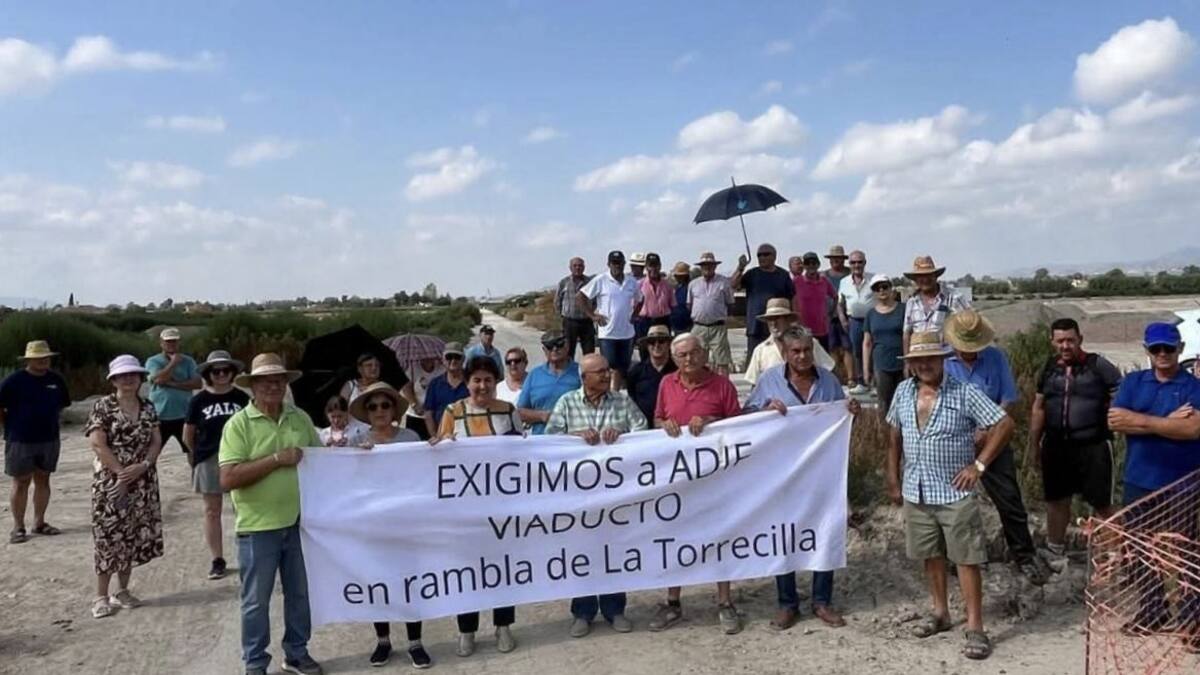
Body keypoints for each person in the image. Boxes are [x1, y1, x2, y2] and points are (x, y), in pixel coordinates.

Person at [885, 332, 1014, 661]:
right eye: (918, 359)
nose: (924, 365)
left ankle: (975, 626)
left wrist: (980, 465)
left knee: (967, 559)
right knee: (931, 556)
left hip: (954, 492)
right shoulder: (903, 391)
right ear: (911, 363)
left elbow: (1004, 424)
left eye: (930, 358)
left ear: (943, 360)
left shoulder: (965, 392)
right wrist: (893, 478)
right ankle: (940, 613)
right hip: (917, 489)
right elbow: (894, 436)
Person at [743, 326, 859, 630]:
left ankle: (822, 601)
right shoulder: (769, 381)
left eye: (807, 350)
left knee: (824, 532)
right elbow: (747, 415)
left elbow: (840, 417)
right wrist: (765, 409)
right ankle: (787, 603)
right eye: (795, 351)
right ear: (784, 352)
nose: (802, 356)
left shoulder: (829, 381)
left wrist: (851, 411)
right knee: (784, 535)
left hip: (821, 473)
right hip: (782, 474)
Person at [219, 353, 324, 675]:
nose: (274, 386)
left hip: (298, 525)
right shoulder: (238, 425)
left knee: (299, 596)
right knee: (255, 601)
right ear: (253, 386)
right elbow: (228, 478)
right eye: (266, 381)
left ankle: (296, 652)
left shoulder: (299, 418)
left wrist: (359, 453)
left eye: (279, 380)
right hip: (257, 528)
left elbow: (324, 462)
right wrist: (276, 459)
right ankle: (255, 663)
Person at [1107, 322, 1200, 647]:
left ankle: (1192, 619)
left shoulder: (1193, 387)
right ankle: (1153, 610)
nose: (1162, 355)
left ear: (1180, 349)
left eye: (1168, 349)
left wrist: (1141, 421)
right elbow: (1116, 421)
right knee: (1140, 549)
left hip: (1183, 483)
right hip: (1139, 480)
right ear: (1146, 350)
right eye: (1156, 349)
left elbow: (1193, 431)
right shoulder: (1133, 382)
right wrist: (1168, 422)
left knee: (1186, 550)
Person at [546, 353, 647, 638]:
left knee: (614, 551)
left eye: (607, 370)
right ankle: (583, 611)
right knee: (583, 552)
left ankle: (615, 609)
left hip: (615, 495)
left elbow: (644, 432)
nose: (606, 375)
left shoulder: (622, 401)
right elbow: (550, 440)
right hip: (580, 497)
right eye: (599, 372)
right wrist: (575, 436)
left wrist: (623, 435)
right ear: (584, 378)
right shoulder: (566, 403)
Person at [648, 333, 743, 635]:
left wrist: (712, 420)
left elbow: (739, 427)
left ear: (703, 353)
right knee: (675, 538)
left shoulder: (722, 385)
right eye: (682, 355)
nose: (688, 360)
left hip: (715, 478)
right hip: (676, 480)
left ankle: (725, 603)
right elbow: (657, 419)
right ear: (674, 359)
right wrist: (664, 424)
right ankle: (673, 603)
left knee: (719, 538)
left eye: (693, 353)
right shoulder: (666, 384)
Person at [943, 311, 1046, 586]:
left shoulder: (995, 358)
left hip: (994, 440)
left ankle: (1024, 555)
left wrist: (988, 431)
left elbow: (1008, 398)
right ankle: (957, 559)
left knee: (1009, 499)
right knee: (953, 505)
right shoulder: (941, 363)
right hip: (954, 443)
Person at [432, 356, 523, 656]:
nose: (482, 386)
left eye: (487, 380)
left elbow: (522, 454)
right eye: (476, 380)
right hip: (466, 510)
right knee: (469, 570)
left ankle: (503, 625)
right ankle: (467, 631)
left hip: (501, 507)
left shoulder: (508, 411)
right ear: (468, 382)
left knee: (503, 568)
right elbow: (443, 455)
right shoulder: (452, 412)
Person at [346, 382, 429, 669]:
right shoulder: (356, 442)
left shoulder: (410, 437)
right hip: (373, 527)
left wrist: (434, 449)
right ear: (366, 413)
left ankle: (415, 642)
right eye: (373, 406)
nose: (379, 411)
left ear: (394, 409)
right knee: (376, 582)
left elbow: (425, 473)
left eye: (385, 405)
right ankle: (383, 640)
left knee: (409, 582)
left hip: (406, 524)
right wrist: (357, 459)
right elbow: (344, 482)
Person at [1028, 318, 1122, 568]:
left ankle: (1115, 556)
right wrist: (1033, 445)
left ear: (1080, 339)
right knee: (1056, 500)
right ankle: (1055, 549)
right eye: (1060, 341)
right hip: (1056, 445)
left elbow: (1121, 392)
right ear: (1052, 342)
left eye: (1070, 340)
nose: (1065, 345)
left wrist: (1117, 418)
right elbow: (1038, 408)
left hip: (1094, 444)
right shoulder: (1048, 368)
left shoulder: (1099, 365)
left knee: (1102, 503)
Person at [84, 355, 165, 619]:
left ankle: (122, 591)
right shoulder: (103, 406)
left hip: (142, 479)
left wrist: (144, 465)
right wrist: (121, 473)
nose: (128, 379)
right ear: (113, 380)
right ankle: (100, 595)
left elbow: (156, 440)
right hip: (112, 480)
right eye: (122, 375)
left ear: (141, 378)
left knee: (132, 533)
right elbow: (98, 443)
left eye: (133, 374)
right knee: (109, 535)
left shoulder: (148, 406)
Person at [183, 350, 250, 581]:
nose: (221, 374)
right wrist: (194, 456)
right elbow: (188, 434)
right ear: (208, 374)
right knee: (212, 511)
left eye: (226, 370)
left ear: (233, 372)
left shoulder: (242, 398)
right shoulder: (198, 400)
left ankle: (248, 556)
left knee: (245, 508)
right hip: (209, 458)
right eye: (216, 371)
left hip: (239, 458)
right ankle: (217, 559)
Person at [1, 340, 70, 544]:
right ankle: (18, 527)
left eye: (46, 357)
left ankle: (39, 523)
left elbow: (62, 405)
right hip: (20, 439)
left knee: (43, 479)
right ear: (29, 359)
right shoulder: (13, 381)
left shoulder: (56, 379)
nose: (43, 361)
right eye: (38, 358)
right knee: (21, 481)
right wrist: (11, 427)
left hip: (49, 438)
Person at [579, 250, 641, 390]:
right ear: (608, 264)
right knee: (610, 369)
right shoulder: (601, 280)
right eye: (614, 263)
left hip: (627, 333)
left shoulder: (631, 282)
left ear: (624, 264)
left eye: (620, 263)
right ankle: (611, 396)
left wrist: (635, 314)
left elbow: (640, 299)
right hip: (608, 333)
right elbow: (581, 297)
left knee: (624, 369)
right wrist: (593, 316)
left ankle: (623, 398)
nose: (617, 266)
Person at [743, 298, 835, 385]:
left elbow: (829, 370)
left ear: (788, 320)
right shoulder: (760, 351)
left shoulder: (809, 343)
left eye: (777, 318)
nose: (773, 324)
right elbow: (755, 386)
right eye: (770, 319)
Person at [901, 255, 970, 360]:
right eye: (920, 276)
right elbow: (907, 333)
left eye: (928, 275)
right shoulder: (911, 302)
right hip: (921, 362)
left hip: (950, 360)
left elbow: (970, 325)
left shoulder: (954, 298)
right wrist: (907, 362)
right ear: (915, 279)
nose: (925, 279)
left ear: (936, 276)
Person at [732, 242, 794, 356]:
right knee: (755, 358)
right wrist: (740, 267)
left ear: (774, 256)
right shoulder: (751, 274)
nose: (762, 257)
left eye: (766, 254)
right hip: (755, 327)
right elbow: (733, 285)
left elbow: (792, 297)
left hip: (778, 325)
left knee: (779, 357)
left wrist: (794, 320)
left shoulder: (783, 275)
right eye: (759, 255)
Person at [145, 327, 201, 453]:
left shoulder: (188, 361)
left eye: (174, 341)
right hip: (159, 415)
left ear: (179, 342)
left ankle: (196, 473)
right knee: (151, 452)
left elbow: (197, 383)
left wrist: (170, 383)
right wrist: (173, 363)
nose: (171, 344)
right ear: (161, 343)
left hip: (185, 414)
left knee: (193, 450)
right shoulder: (153, 361)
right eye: (168, 341)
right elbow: (158, 379)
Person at [517, 331, 581, 434]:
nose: (555, 349)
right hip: (542, 441)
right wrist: (542, 416)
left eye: (559, 345)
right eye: (550, 346)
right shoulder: (534, 375)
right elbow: (520, 412)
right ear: (544, 350)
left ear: (567, 346)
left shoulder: (581, 372)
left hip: (572, 440)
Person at [687, 252, 736, 376]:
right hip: (699, 327)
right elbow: (689, 304)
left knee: (722, 362)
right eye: (704, 265)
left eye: (710, 265)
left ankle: (724, 391)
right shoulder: (693, 284)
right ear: (700, 267)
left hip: (718, 327)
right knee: (696, 360)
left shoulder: (724, 282)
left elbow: (730, 303)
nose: (707, 267)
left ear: (715, 266)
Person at [862, 274, 905, 414]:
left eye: (884, 287)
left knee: (904, 403)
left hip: (903, 364)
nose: (881, 291)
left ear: (891, 289)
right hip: (881, 364)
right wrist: (866, 369)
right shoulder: (871, 314)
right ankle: (885, 434)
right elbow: (867, 343)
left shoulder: (903, 310)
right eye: (877, 288)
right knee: (884, 404)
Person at [339, 353, 420, 418]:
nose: (374, 368)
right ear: (360, 369)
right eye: (369, 365)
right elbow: (340, 408)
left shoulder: (384, 387)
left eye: (377, 365)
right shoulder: (350, 385)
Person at [625, 325, 677, 424]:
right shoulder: (635, 371)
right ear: (647, 346)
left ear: (669, 344)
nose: (656, 345)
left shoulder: (678, 370)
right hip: (644, 427)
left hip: (673, 425)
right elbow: (632, 398)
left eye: (661, 341)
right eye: (652, 342)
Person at [837, 249, 872, 393]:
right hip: (854, 321)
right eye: (853, 262)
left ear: (865, 263)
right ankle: (861, 382)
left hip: (872, 320)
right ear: (849, 264)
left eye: (859, 262)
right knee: (857, 351)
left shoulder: (874, 279)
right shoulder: (844, 282)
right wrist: (843, 319)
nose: (856, 265)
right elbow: (840, 303)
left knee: (873, 351)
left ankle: (874, 381)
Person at [791, 252, 838, 352]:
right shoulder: (796, 281)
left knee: (823, 363)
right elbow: (789, 299)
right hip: (802, 330)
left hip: (822, 330)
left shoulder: (824, 281)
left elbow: (835, 297)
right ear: (804, 266)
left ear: (818, 264)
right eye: (808, 263)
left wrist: (831, 313)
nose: (811, 266)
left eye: (814, 263)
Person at [422, 343, 469, 435]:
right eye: (449, 357)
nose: (453, 360)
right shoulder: (434, 384)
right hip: (442, 436)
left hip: (467, 436)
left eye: (457, 357)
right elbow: (428, 413)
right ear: (443, 360)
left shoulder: (472, 383)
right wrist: (434, 436)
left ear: (463, 360)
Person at [635, 252, 674, 360]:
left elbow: (672, 305)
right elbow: (633, 306)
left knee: (664, 351)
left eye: (656, 265)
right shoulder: (639, 284)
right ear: (646, 267)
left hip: (663, 320)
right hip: (645, 321)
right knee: (645, 351)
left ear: (660, 266)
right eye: (651, 265)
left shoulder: (668, 285)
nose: (654, 268)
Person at [823, 245, 853, 384]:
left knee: (848, 347)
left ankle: (851, 377)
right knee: (832, 348)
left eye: (839, 258)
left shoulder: (850, 274)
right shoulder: (824, 275)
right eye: (833, 258)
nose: (836, 261)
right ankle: (836, 378)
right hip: (829, 316)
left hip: (846, 316)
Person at [556, 256, 595, 359]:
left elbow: (595, 300)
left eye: (580, 266)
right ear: (570, 267)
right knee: (568, 351)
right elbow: (557, 301)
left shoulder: (590, 282)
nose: (578, 268)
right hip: (570, 322)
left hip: (586, 321)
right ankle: (570, 373)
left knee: (589, 351)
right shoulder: (564, 282)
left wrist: (592, 313)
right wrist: (562, 315)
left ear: (584, 267)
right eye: (575, 266)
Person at [404, 356, 443, 440]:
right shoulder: (413, 368)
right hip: (416, 415)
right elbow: (406, 388)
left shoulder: (441, 368)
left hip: (435, 415)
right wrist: (414, 404)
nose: (428, 358)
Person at [668, 262, 694, 335]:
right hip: (675, 326)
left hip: (687, 326)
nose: (676, 277)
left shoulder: (690, 288)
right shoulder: (676, 288)